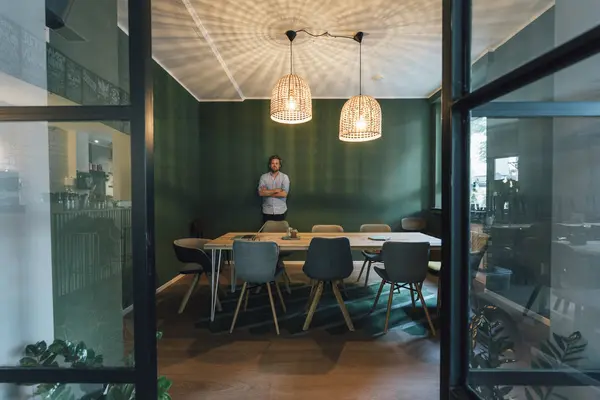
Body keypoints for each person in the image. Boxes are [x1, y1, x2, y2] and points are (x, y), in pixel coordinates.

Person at [258, 155, 290, 223]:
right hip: (267, 211)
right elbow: (261, 193)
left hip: (280, 211)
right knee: (267, 232)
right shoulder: (263, 177)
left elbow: (284, 194)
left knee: (280, 233)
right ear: (269, 165)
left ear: (279, 165)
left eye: (276, 163)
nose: (274, 165)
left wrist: (267, 192)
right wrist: (276, 190)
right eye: (272, 163)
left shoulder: (284, 177)